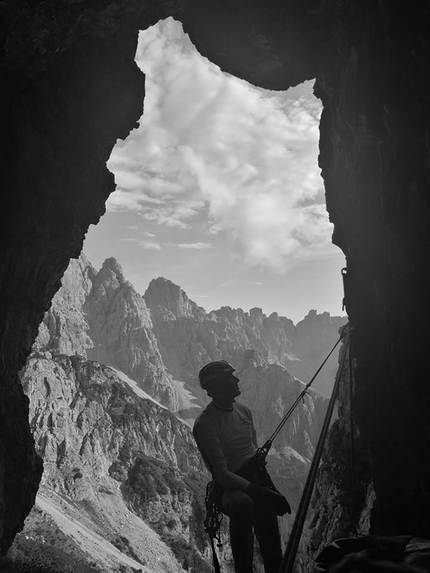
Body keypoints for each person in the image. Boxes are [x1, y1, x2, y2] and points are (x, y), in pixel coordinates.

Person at [193, 360, 291, 573]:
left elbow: (252, 448)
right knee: (242, 503)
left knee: (271, 541)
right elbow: (221, 474)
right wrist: (263, 492)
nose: (237, 380)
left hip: (255, 477)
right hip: (230, 487)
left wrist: (264, 491)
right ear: (217, 387)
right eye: (230, 377)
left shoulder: (244, 411)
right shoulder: (206, 422)